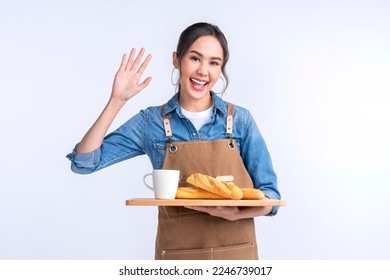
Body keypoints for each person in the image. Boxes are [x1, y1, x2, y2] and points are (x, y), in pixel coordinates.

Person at [67, 22, 281, 260]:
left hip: (236, 258)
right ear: (176, 60)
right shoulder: (152, 123)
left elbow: (270, 196)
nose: (203, 71)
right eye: (195, 58)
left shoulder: (240, 120)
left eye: (214, 62)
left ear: (221, 69)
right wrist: (117, 101)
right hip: (177, 259)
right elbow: (84, 163)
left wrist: (236, 213)